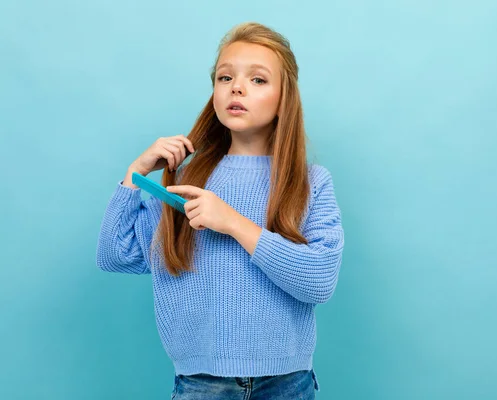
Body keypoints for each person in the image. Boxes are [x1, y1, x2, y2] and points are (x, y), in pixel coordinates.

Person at [96, 21, 344, 399]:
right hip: (201, 385)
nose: (237, 87)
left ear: (284, 99)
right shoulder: (185, 178)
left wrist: (231, 222)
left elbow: (319, 280)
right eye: (225, 77)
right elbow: (116, 255)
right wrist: (136, 173)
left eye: (258, 80)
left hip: (288, 383)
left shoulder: (311, 182)